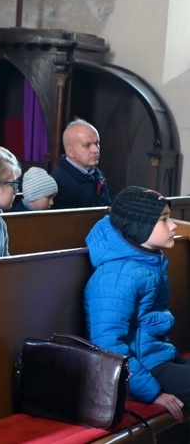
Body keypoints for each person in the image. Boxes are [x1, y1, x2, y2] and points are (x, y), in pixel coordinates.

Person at [84, 186, 185, 422]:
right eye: (163, 220)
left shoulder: (147, 262)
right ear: (140, 226)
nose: (172, 226)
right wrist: (152, 392)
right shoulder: (118, 274)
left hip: (158, 357)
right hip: (145, 370)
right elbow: (106, 342)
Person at [51, 119, 111, 209]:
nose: (96, 150)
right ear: (70, 151)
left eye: (97, 143)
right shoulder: (59, 183)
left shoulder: (97, 173)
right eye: (87, 145)